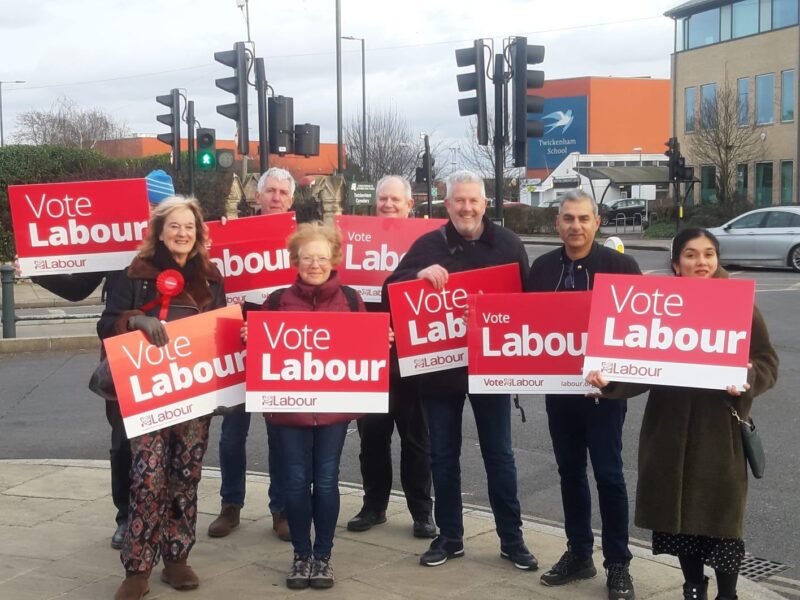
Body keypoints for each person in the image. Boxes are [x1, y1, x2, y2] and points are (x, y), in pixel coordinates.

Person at [586, 228, 779, 600]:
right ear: (676, 263)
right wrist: (609, 383)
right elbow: (637, 365)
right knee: (678, 521)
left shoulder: (739, 304)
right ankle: (693, 587)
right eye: (691, 255)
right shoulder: (657, 303)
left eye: (708, 254)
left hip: (719, 432)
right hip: (668, 432)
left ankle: (727, 593)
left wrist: (748, 376)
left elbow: (768, 362)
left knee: (721, 522)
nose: (701, 262)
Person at [385, 170, 536, 570]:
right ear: (446, 204)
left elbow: (528, 304)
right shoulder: (427, 244)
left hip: (491, 370)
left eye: (473, 201)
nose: (466, 208)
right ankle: (449, 537)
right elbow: (390, 288)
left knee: (499, 456)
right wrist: (415, 276)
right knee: (443, 455)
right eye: (458, 201)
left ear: (485, 204)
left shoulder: (508, 244)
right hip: (440, 372)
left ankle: (512, 539)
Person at [27, 169, 174, 551]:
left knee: (172, 442)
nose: (150, 214)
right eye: (145, 205)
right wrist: (36, 270)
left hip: (174, 355)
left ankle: (168, 516)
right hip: (121, 353)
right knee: (123, 441)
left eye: (157, 206)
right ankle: (126, 517)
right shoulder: (113, 247)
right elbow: (78, 290)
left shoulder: (182, 245)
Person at [98, 196, 226, 600]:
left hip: (193, 392)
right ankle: (137, 567)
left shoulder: (212, 278)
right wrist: (135, 319)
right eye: (174, 226)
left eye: (189, 227)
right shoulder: (134, 275)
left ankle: (176, 557)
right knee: (148, 477)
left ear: (199, 233)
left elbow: (220, 328)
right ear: (159, 231)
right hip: (148, 394)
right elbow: (106, 324)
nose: (182, 233)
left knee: (185, 475)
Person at [241, 222, 380, 590]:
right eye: (307, 258)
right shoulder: (275, 301)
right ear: (295, 261)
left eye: (321, 257)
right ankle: (301, 556)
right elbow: (261, 351)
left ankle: (324, 557)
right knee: (296, 481)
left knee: (328, 480)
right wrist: (248, 337)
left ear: (333, 258)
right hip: (289, 411)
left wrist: (382, 341)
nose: (314, 264)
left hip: (333, 410)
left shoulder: (351, 300)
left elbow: (365, 350)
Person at [527, 189, 640, 600]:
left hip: (604, 395)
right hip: (560, 394)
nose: (575, 226)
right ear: (557, 224)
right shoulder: (541, 269)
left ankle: (618, 564)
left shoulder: (621, 266)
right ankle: (579, 553)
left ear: (598, 222)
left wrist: (614, 381)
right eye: (568, 218)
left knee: (609, 475)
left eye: (583, 219)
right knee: (569, 472)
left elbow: (636, 331)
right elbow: (521, 327)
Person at [208, 166, 295, 541]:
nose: (276, 198)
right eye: (270, 191)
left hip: (281, 343)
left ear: (292, 200)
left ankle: (282, 510)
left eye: (283, 193)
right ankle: (231, 505)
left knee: (280, 434)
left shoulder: (301, 240)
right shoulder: (233, 236)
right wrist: (217, 236)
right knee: (231, 434)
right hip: (236, 339)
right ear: (256, 197)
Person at [347, 175, 435, 539]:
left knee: (416, 439)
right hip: (369, 352)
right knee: (372, 436)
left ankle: (421, 512)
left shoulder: (430, 243)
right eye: (383, 199)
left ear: (409, 204)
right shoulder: (355, 237)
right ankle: (374, 506)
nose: (388, 205)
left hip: (414, 352)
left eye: (395, 200)